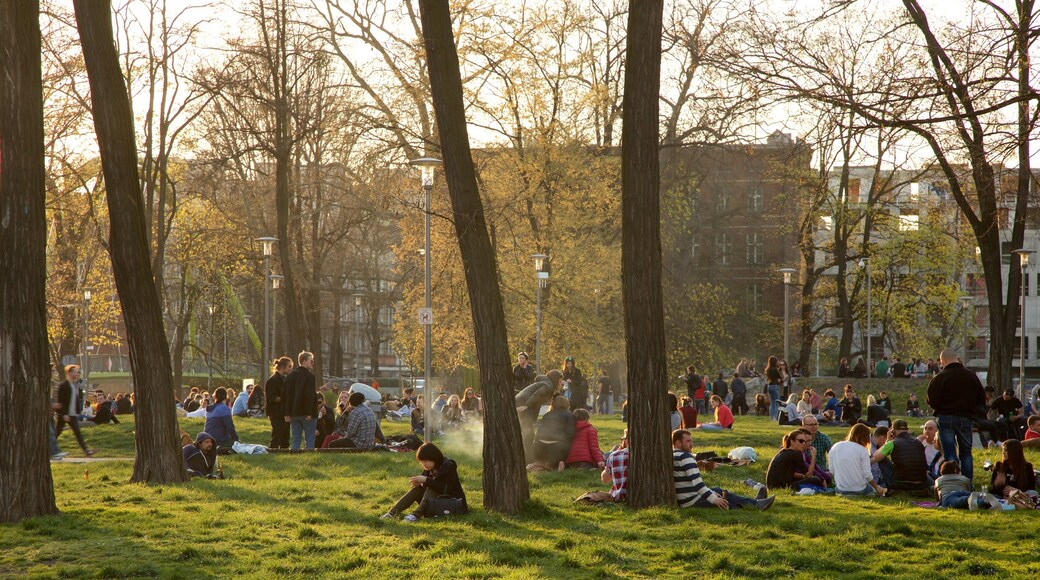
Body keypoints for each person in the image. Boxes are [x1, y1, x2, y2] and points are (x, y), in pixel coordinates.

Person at [672, 429, 775, 510]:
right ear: (678, 443)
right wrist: (713, 499)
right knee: (723, 497)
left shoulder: (674, 455)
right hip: (692, 500)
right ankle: (756, 504)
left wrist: (711, 492)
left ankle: (755, 502)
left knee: (718, 491)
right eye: (688, 441)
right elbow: (697, 484)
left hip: (685, 499)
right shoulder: (686, 457)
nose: (692, 444)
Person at [926, 348, 985, 480]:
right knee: (966, 452)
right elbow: (981, 397)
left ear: (943, 360)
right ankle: (967, 482)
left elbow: (931, 400)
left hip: (945, 417)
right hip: (965, 417)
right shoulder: (971, 376)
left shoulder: (939, 377)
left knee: (949, 453)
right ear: (956, 358)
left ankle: (953, 481)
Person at [381, 443, 467, 521]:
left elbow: (446, 489)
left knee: (431, 488)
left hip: (453, 504)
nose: (424, 464)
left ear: (434, 458)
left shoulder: (448, 466)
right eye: (422, 462)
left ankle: (415, 515)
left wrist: (426, 481)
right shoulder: (429, 469)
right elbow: (428, 487)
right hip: (435, 503)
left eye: (425, 461)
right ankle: (391, 513)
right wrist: (421, 484)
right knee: (417, 489)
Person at [515, 370, 563, 460]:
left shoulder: (547, 384)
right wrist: (526, 405)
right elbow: (537, 394)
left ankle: (526, 457)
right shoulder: (549, 386)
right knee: (528, 434)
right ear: (556, 380)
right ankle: (526, 458)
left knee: (527, 432)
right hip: (523, 403)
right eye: (560, 381)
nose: (561, 384)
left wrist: (533, 420)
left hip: (522, 401)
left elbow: (537, 404)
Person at [829, 424, 887, 496]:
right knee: (874, 490)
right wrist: (877, 487)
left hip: (841, 489)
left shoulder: (835, 446)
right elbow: (867, 474)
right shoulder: (862, 450)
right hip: (860, 489)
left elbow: (832, 470)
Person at [871, 419, 928, 492]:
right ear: (907, 430)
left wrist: (887, 441)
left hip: (901, 483)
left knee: (883, 459)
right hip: (921, 483)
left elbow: (876, 457)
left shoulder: (892, 443)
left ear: (892, 431)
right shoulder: (918, 442)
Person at [55, 365, 93, 456]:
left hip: (72, 414)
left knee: (77, 432)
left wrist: (77, 411)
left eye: (78, 372)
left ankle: (86, 450)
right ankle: (48, 447)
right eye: (75, 371)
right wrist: (64, 414)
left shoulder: (75, 385)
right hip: (64, 415)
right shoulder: (63, 385)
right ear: (69, 373)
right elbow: (60, 401)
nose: (77, 373)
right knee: (57, 432)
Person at [284, 351, 318, 450]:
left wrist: (287, 412)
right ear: (304, 361)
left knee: (296, 439)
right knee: (310, 439)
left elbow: (286, 395)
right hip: (306, 414)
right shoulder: (310, 376)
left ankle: (294, 455)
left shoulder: (290, 376)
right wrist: (309, 412)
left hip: (294, 413)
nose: (313, 363)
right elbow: (309, 395)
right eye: (311, 361)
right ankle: (309, 459)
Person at [532, 396, 576, 471]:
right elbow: (570, 432)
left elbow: (539, 431)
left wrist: (536, 443)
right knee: (558, 459)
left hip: (540, 445)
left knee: (541, 460)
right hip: (557, 446)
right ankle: (558, 464)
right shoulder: (569, 414)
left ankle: (541, 464)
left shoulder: (547, 415)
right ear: (567, 404)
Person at [265, 357, 293, 448]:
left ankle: (284, 453)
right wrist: (285, 398)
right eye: (289, 366)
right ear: (282, 367)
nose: (291, 369)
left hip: (284, 412)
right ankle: (273, 451)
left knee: (285, 436)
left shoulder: (285, 380)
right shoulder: (273, 380)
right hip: (276, 412)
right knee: (277, 434)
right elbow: (271, 397)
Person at [601, 430, 629, 502]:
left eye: (623, 439)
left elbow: (605, 479)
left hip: (619, 498)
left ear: (626, 440)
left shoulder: (615, 455)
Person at [763, 356, 782, 421]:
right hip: (775, 385)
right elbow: (779, 377)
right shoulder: (775, 369)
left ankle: (771, 417)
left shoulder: (768, 369)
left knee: (772, 403)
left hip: (769, 386)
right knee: (777, 402)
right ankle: (775, 417)